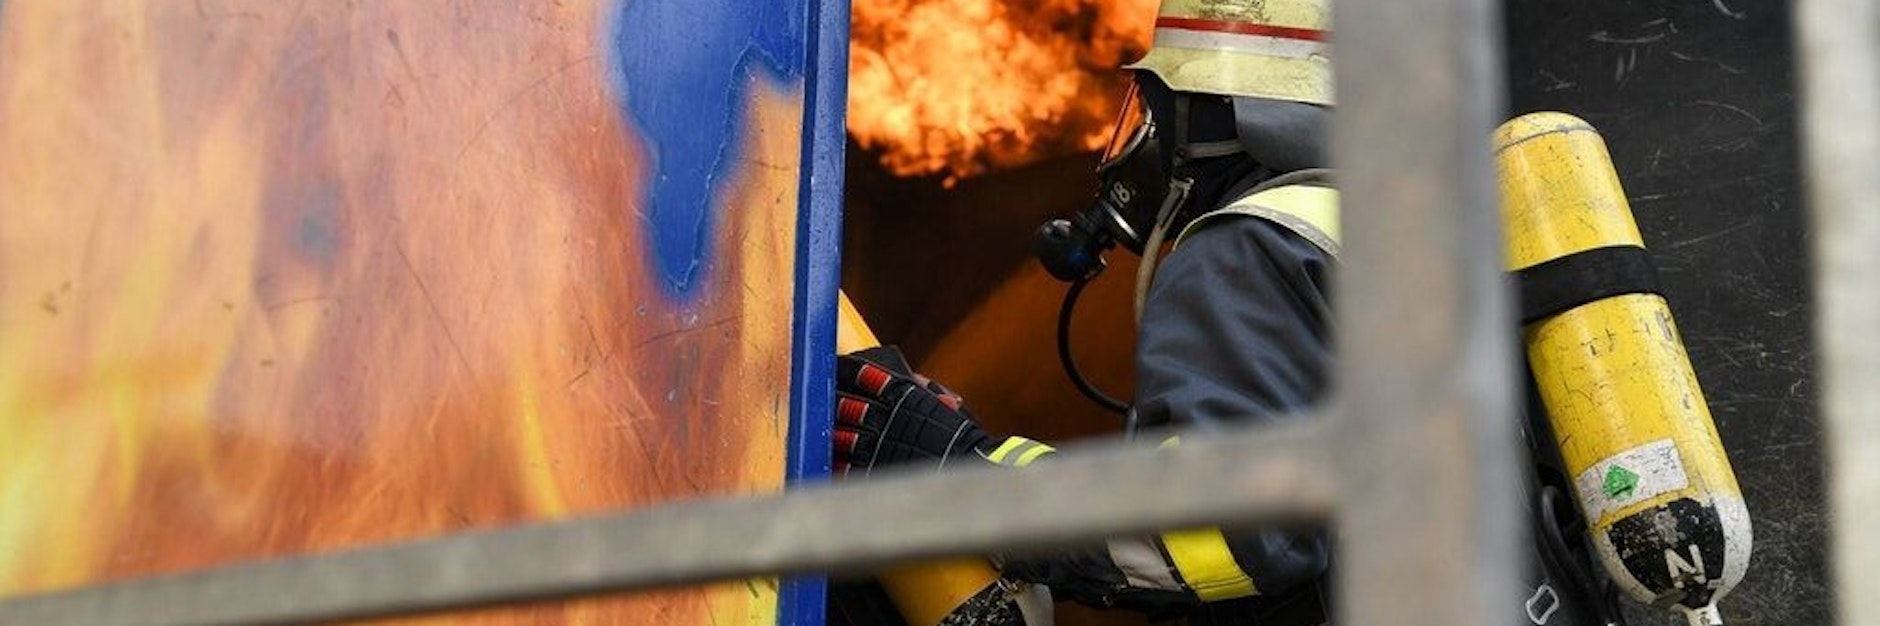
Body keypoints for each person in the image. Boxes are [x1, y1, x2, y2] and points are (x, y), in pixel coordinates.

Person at [833, 0, 1613, 623]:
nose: (1142, 137)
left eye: (1158, 106)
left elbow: (1223, 529)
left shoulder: (1253, 245)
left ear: (1222, 111)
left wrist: (960, 471)